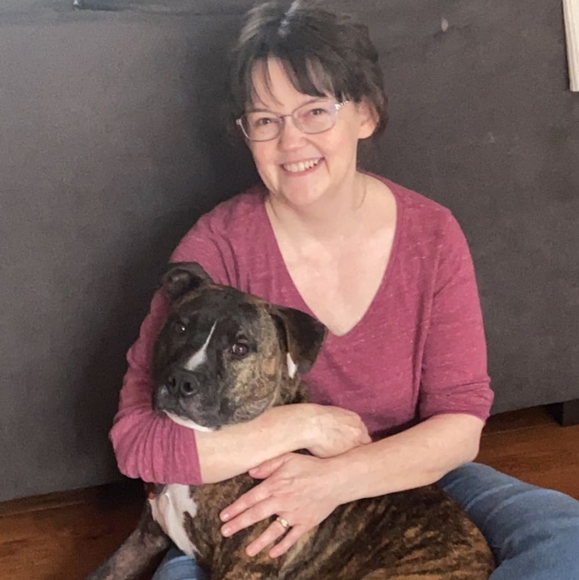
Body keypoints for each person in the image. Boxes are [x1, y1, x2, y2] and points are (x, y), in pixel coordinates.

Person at [110, 2, 579, 579]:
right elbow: (137, 441)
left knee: (570, 543)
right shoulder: (217, 247)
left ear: (366, 114)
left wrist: (334, 480)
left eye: (314, 111)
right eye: (265, 120)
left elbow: (459, 421)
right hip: (246, 493)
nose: (291, 141)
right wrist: (304, 426)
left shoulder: (431, 234)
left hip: (407, 476)